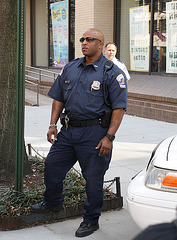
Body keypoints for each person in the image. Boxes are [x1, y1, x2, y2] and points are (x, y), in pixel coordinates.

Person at [31, 28, 127, 238]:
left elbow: (119, 108)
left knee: (93, 180)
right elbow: (58, 98)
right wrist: (52, 124)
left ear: (100, 44)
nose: (84, 43)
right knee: (52, 166)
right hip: (68, 131)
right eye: (82, 39)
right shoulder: (71, 68)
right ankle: (53, 202)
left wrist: (109, 137)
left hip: (95, 134)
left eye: (89, 39)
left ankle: (91, 221)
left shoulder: (112, 72)